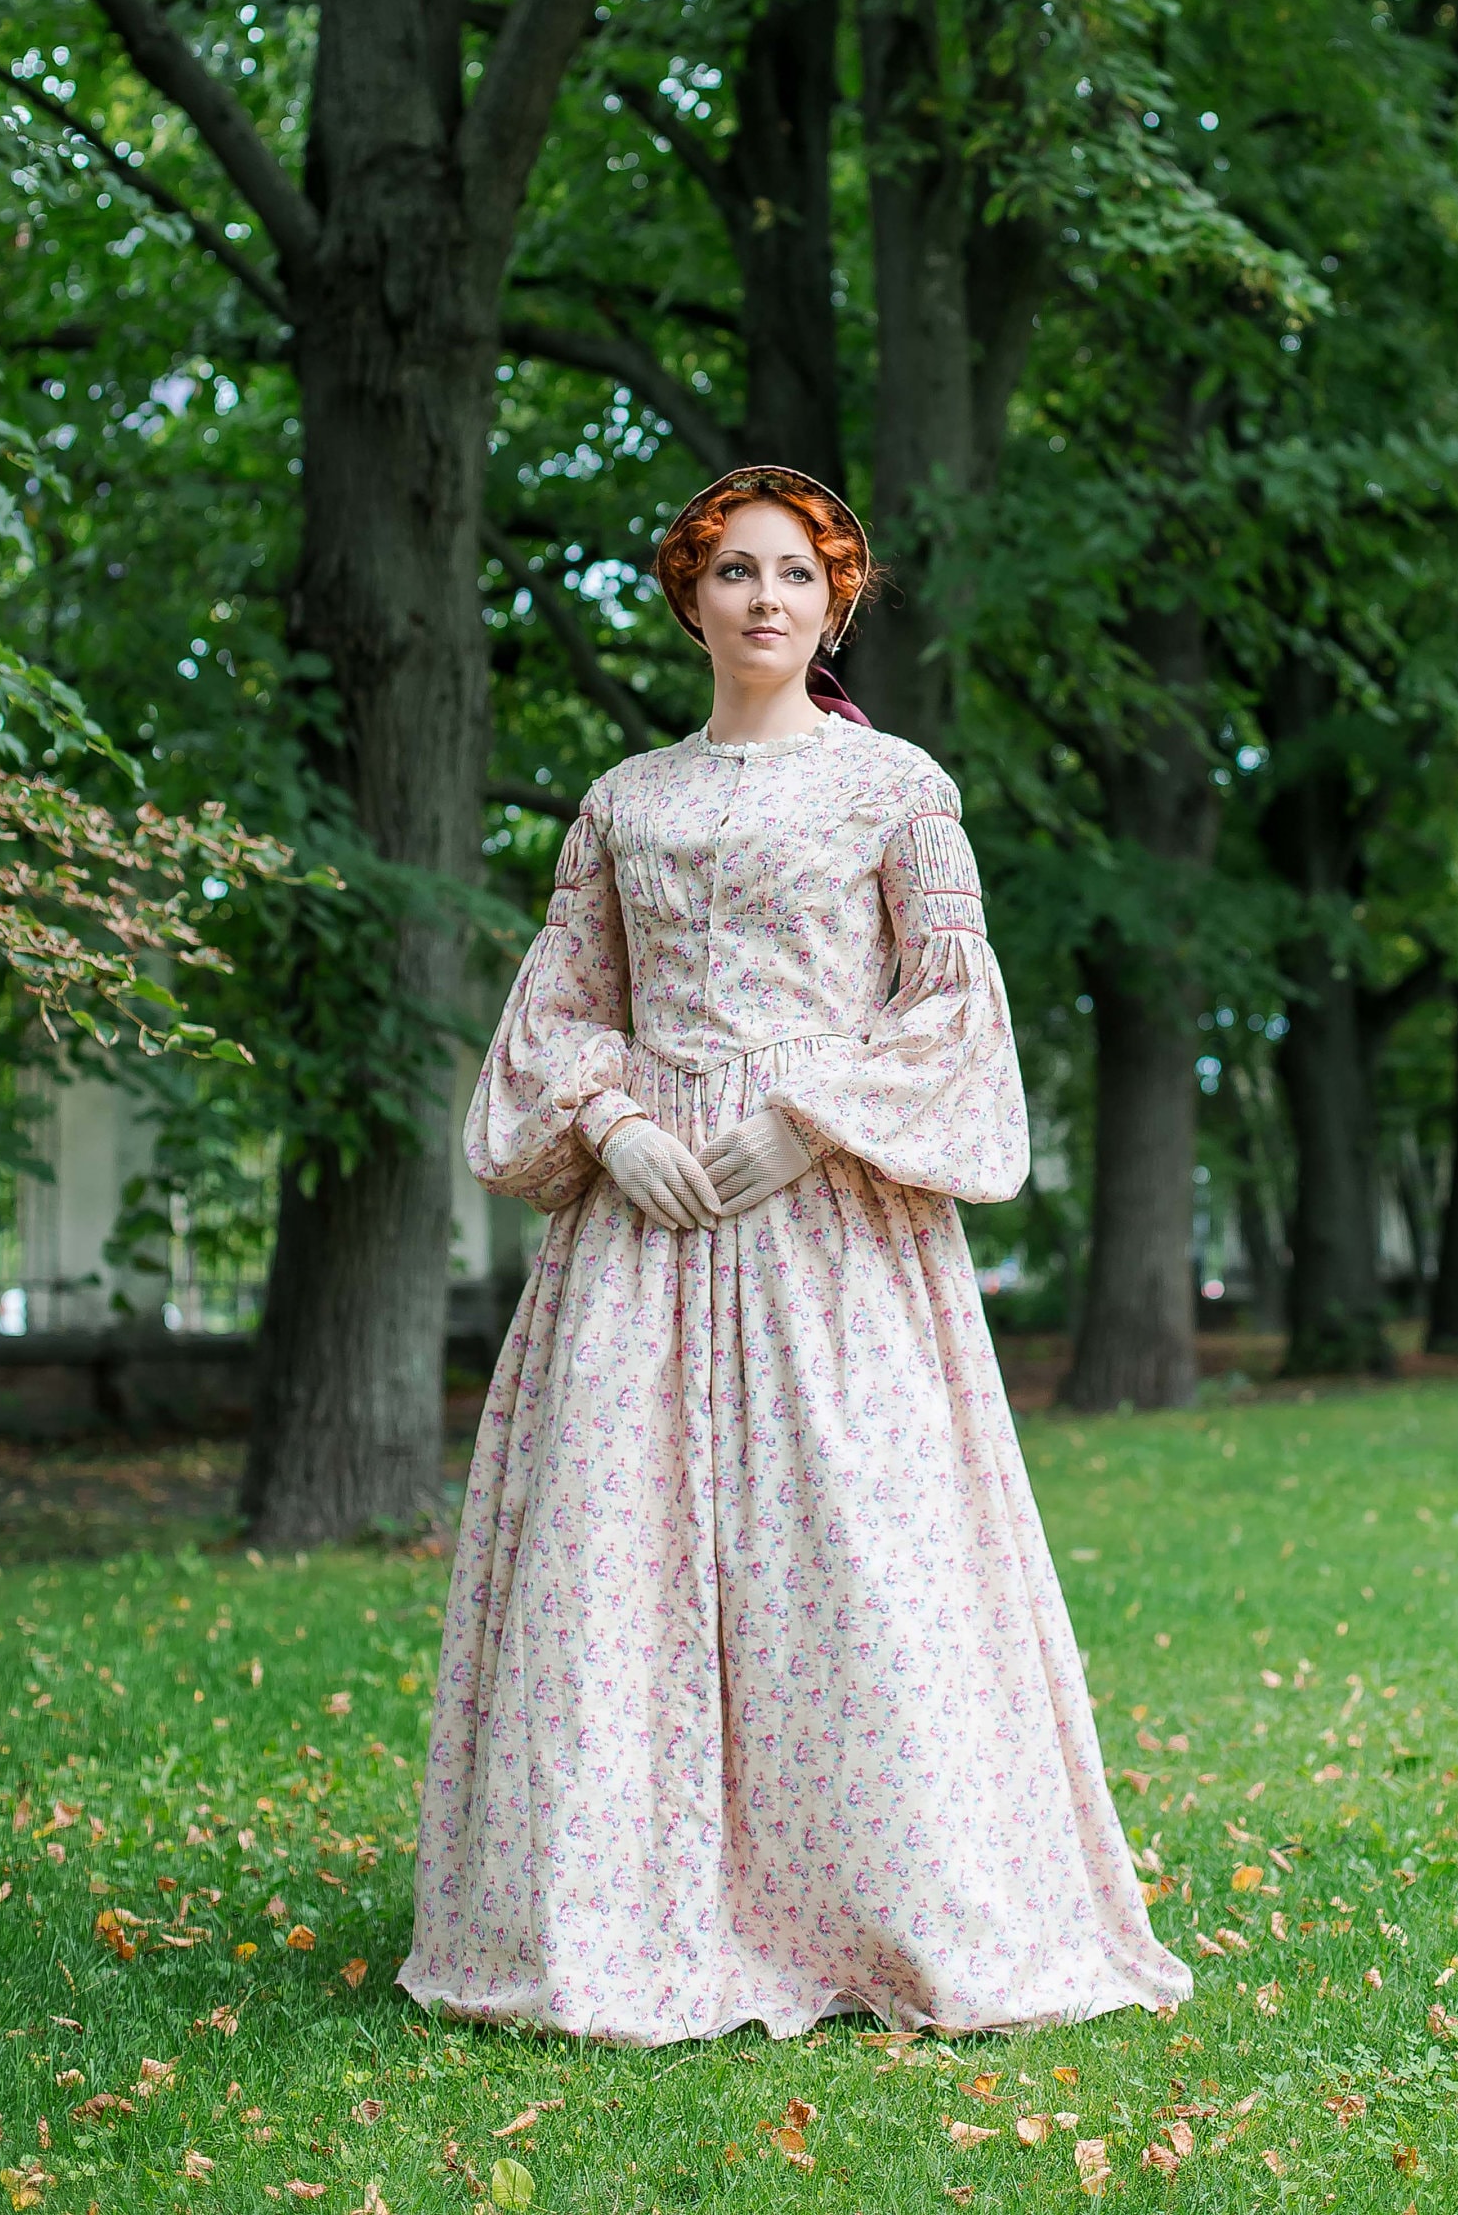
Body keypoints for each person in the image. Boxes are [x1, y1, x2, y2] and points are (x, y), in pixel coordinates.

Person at [401, 463, 1190, 2044]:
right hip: (648, 1230)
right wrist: (613, 1124)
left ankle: (889, 1907)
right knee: (615, 1562)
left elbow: (954, 1003)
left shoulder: (898, 787)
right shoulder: (626, 800)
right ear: (690, 598)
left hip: (830, 1228)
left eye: (796, 574)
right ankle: (614, 1908)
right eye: (734, 571)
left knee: (856, 1551)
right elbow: (562, 1007)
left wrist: (812, 1120)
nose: (766, 598)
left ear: (836, 603)